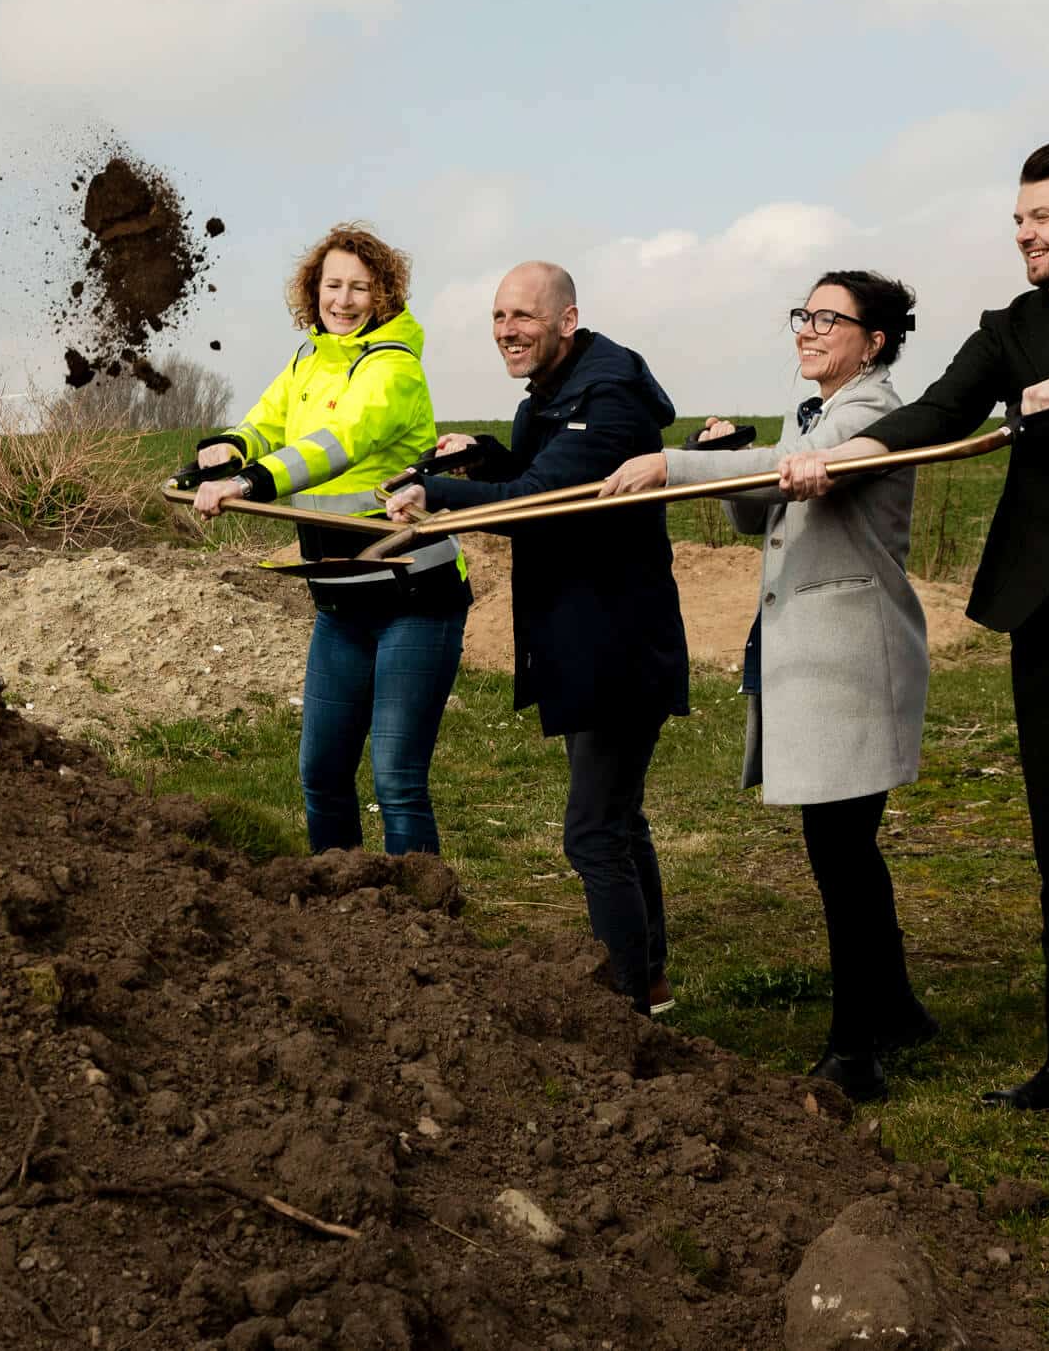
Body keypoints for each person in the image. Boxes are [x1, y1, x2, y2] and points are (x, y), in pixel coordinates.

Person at [775, 143, 1049, 1145]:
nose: (1024, 233)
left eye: (1041, 216)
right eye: (1016, 219)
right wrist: (839, 457)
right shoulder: (1009, 328)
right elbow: (936, 413)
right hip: (1046, 613)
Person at [598, 271, 936, 1102]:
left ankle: (855, 1052)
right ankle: (894, 1010)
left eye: (828, 318)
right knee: (846, 850)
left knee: (842, 855)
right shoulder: (814, 413)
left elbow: (795, 471)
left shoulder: (871, 410)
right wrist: (720, 462)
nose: (808, 329)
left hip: (851, 657)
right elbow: (763, 508)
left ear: (874, 341)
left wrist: (670, 462)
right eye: (804, 315)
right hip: (816, 658)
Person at [384, 262, 688, 1013]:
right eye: (498, 317)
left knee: (592, 834)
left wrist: (435, 492)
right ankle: (649, 978)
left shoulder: (607, 401)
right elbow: (537, 470)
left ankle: (626, 1011)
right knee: (618, 820)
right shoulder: (556, 396)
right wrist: (484, 455)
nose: (507, 330)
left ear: (566, 320)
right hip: (587, 639)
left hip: (619, 643)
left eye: (522, 315)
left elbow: (536, 502)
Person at [191, 224, 470, 857]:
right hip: (340, 600)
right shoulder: (307, 361)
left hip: (413, 598)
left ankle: (417, 910)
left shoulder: (393, 368)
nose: (343, 301)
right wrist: (230, 449)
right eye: (332, 285)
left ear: (383, 294)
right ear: (313, 290)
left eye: (359, 288)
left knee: (396, 782)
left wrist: (251, 482)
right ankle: (338, 903)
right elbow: (267, 424)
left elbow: (337, 442)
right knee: (321, 776)